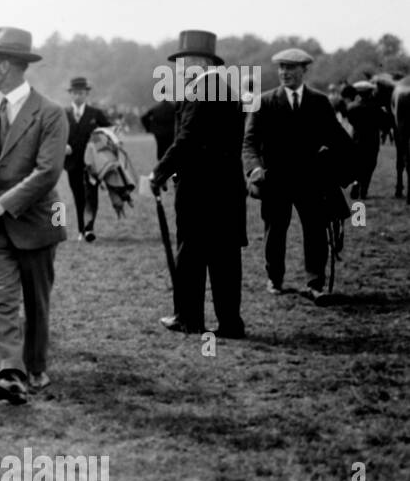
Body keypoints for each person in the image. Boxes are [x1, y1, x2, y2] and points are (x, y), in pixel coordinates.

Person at [0, 27, 67, 404]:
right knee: (1, 299)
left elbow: (47, 173)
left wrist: (2, 204)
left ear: (6, 65)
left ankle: (36, 366)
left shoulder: (51, 113)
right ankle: (11, 372)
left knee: (36, 301)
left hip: (38, 222)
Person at [149, 30, 246, 336]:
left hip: (200, 190)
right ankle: (230, 322)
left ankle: (188, 318)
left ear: (198, 62)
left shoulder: (200, 91)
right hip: (227, 189)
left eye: (182, 62)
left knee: (191, 254)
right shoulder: (224, 89)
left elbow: (187, 139)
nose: (179, 68)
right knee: (225, 258)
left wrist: (159, 171)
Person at [243, 48, 353, 301]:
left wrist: (338, 171)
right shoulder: (265, 101)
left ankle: (315, 283)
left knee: (315, 231)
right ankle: (275, 279)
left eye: (291, 68)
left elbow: (339, 140)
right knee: (275, 231)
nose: (285, 73)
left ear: (304, 70)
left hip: (310, 180)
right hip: (275, 180)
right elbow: (249, 142)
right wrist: (254, 168)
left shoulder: (319, 102)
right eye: (281, 67)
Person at [63, 77, 111, 242]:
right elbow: (55, 135)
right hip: (71, 163)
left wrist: (98, 145)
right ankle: (80, 230)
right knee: (78, 196)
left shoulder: (95, 114)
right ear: (71, 94)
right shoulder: (64, 114)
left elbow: (109, 133)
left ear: (86, 94)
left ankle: (89, 228)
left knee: (91, 195)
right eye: (75, 93)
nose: (78, 96)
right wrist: (64, 146)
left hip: (92, 164)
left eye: (81, 93)